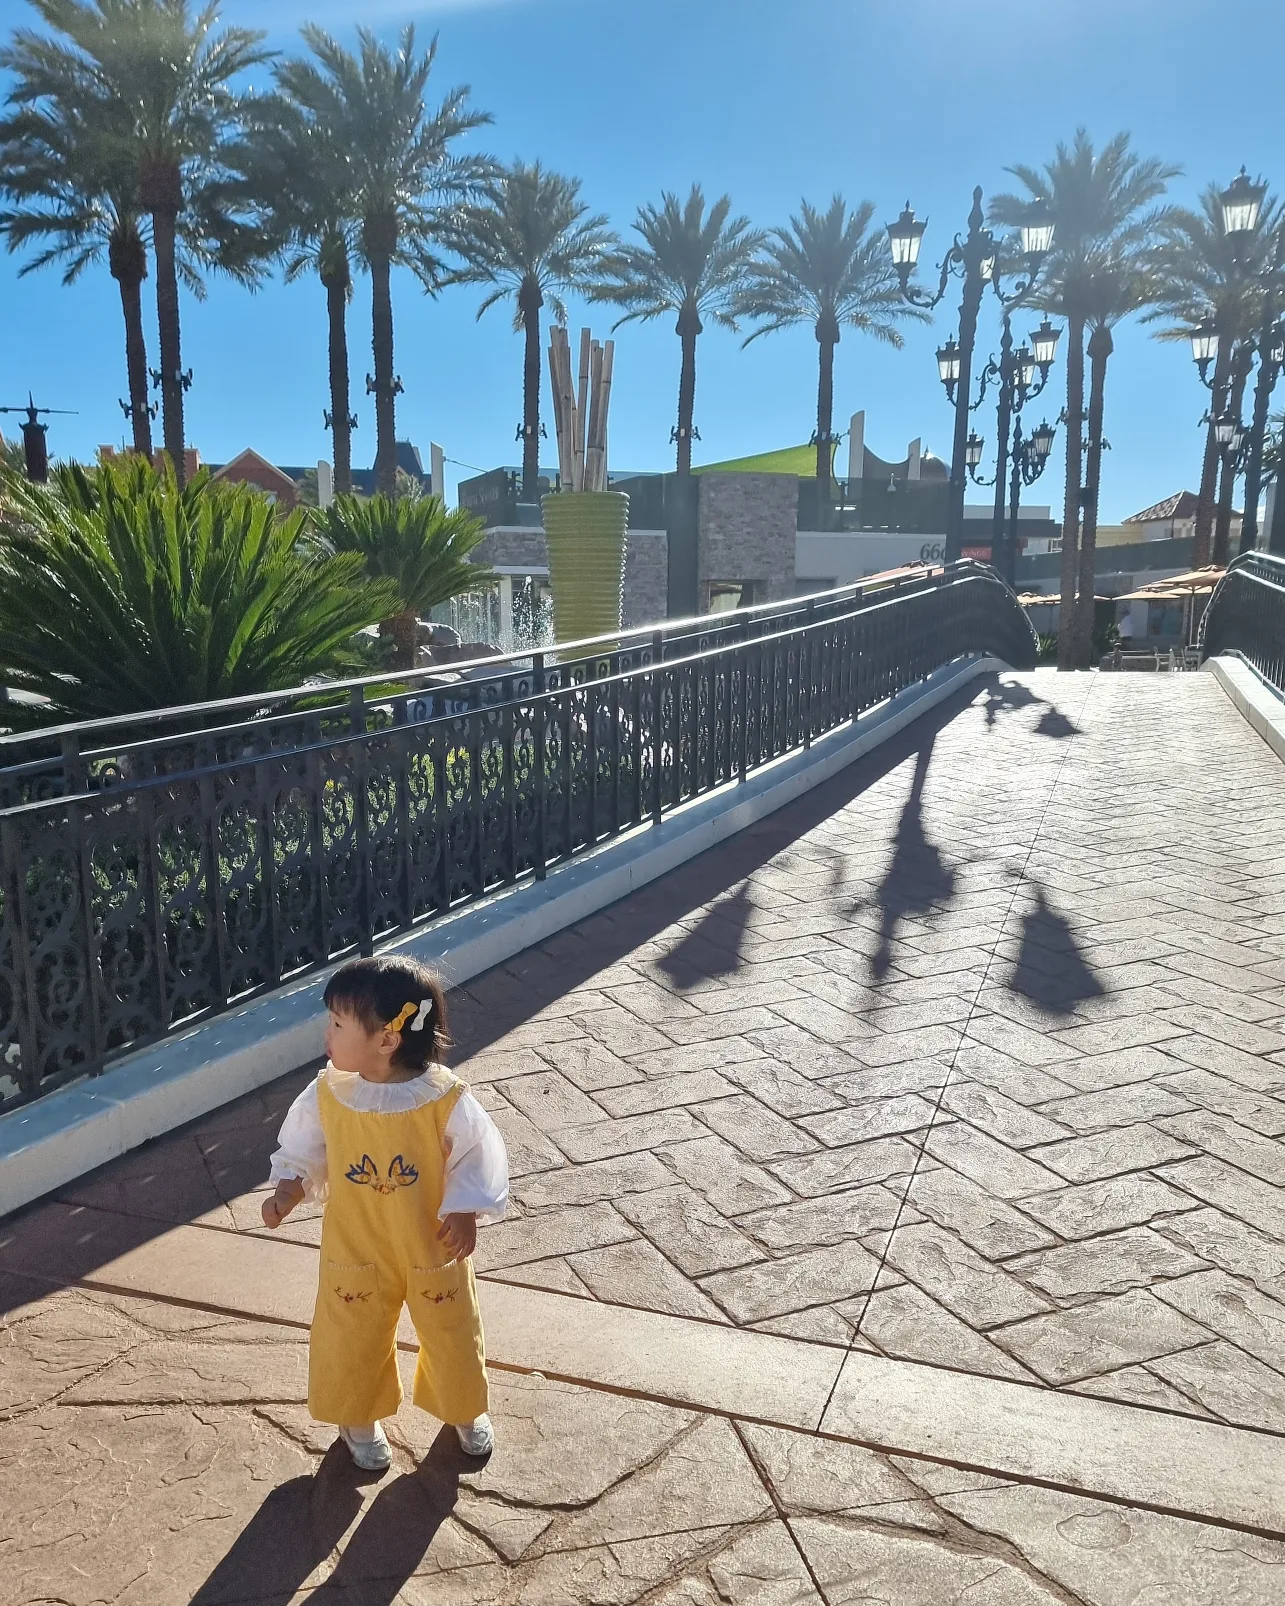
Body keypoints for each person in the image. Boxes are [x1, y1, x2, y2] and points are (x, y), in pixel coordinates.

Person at [261, 955, 508, 1473]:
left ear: (387, 1039)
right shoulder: (329, 1092)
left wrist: (464, 1209)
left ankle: (464, 1405)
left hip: (432, 1242)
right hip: (356, 1243)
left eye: (338, 1024)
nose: (327, 1033)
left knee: (452, 1328)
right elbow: (304, 1149)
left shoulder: (444, 1097)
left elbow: (475, 1153)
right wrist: (288, 1189)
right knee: (352, 1332)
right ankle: (357, 1414)